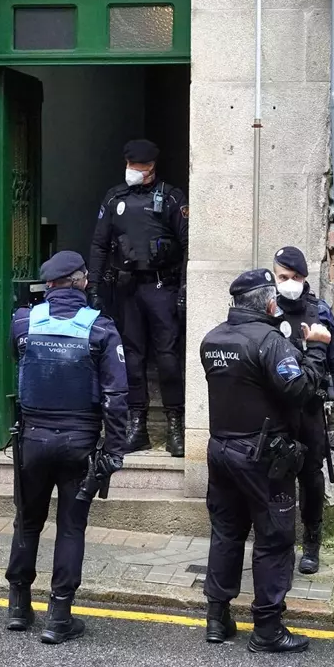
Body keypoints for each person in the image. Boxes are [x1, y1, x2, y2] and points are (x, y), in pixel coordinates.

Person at [198, 268, 329, 653]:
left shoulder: (212, 339)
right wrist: (316, 349)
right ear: (270, 303)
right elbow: (300, 390)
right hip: (262, 456)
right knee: (273, 539)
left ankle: (217, 618)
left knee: (226, 532)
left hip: (221, 449)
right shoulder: (270, 342)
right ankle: (268, 629)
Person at [5, 251, 131, 644]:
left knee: (27, 521)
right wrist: (114, 450)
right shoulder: (101, 328)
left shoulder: (23, 321)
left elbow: (18, 361)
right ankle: (59, 617)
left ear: (49, 284)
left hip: (32, 439)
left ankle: (18, 607)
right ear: (81, 281)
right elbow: (116, 397)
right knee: (71, 527)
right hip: (79, 443)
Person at [88, 139, 189, 456]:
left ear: (152, 167)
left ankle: (175, 425)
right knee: (131, 358)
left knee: (168, 358)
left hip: (161, 287)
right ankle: (137, 426)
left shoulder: (171, 198)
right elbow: (99, 244)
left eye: (139, 167)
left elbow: (188, 245)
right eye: (130, 165)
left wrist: (184, 288)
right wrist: (94, 286)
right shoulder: (115, 197)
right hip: (127, 289)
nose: (133, 171)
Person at [271, 245, 334, 575]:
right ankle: (279, 541)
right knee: (276, 476)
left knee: (311, 478)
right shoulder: (268, 308)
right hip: (277, 409)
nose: (289, 283)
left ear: (305, 278)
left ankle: (312, 541)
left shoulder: (319, 311)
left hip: (310, 409)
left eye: (295, 277)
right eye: (282, 277)